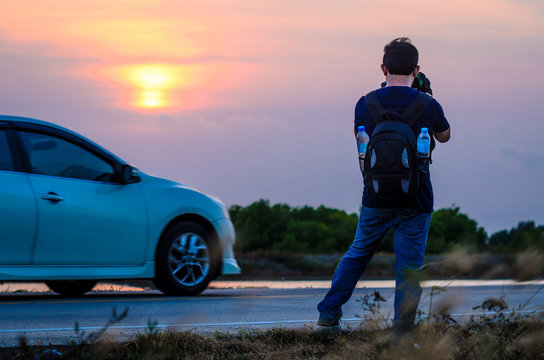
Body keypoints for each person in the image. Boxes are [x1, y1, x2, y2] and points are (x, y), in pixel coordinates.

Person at [317, 37, 451, 337]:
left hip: (374, 196)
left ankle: (328, 317)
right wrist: (426, 95)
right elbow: (444, 136)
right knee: (408, 270)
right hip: (416, 199)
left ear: (383, 67)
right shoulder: (427, 104)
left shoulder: (365, 103)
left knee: (357, 254)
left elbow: (360, 136)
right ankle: (401, 334)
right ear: (416, 69)